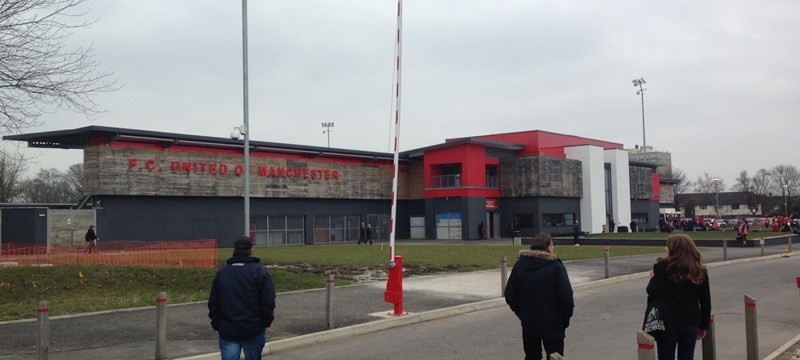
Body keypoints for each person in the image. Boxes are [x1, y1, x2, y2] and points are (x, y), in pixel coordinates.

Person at [505, 233, 574, 360]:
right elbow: (566, 297)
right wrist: (564, 319)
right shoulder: (555, 266)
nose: (553, 248)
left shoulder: (520, 265)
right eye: (552, 245)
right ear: (548, 247)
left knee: (532, 356)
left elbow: (510, 294)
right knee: (555, 357)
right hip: (553, 324)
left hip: (529, 323)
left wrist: (522, 313)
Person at [208, 236, 276, 360]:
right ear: (251, 250)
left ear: (234, 250)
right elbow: (268, 300)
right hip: (253, 328)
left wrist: (216, 323)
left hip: (228, 329)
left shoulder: (222, 273)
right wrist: (266, 322)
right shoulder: (259, 272)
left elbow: (214, 302)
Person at [646, 234, 711, 360]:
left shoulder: (661, 267)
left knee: (665, 356)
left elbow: (653, 292)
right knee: (687, 357)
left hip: (667, 321)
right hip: (691, 321)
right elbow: (705, 301)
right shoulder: (699, 270)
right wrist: (704, 325)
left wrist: (653, 279)